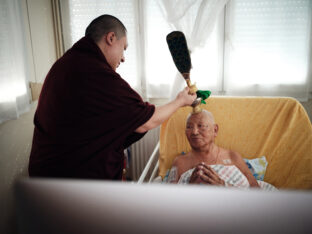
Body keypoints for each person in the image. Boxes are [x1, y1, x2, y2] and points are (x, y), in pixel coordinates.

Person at [28, 14, 196, 180]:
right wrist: (180, 101)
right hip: (66, 181)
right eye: (124, 48)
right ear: (111, 38)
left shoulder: (67, 63)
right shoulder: (93, 72)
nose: (123, 58)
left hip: (46, 175)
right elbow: (145, 121)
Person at [167, 110, 260, 188]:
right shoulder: (180, 163)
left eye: (201, 126)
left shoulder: (232, 157)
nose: (194, 132)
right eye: (189, 127)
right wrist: (190, 188)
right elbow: (169, 199)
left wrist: (224, 186)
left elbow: (256, 191)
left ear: (215, 130)